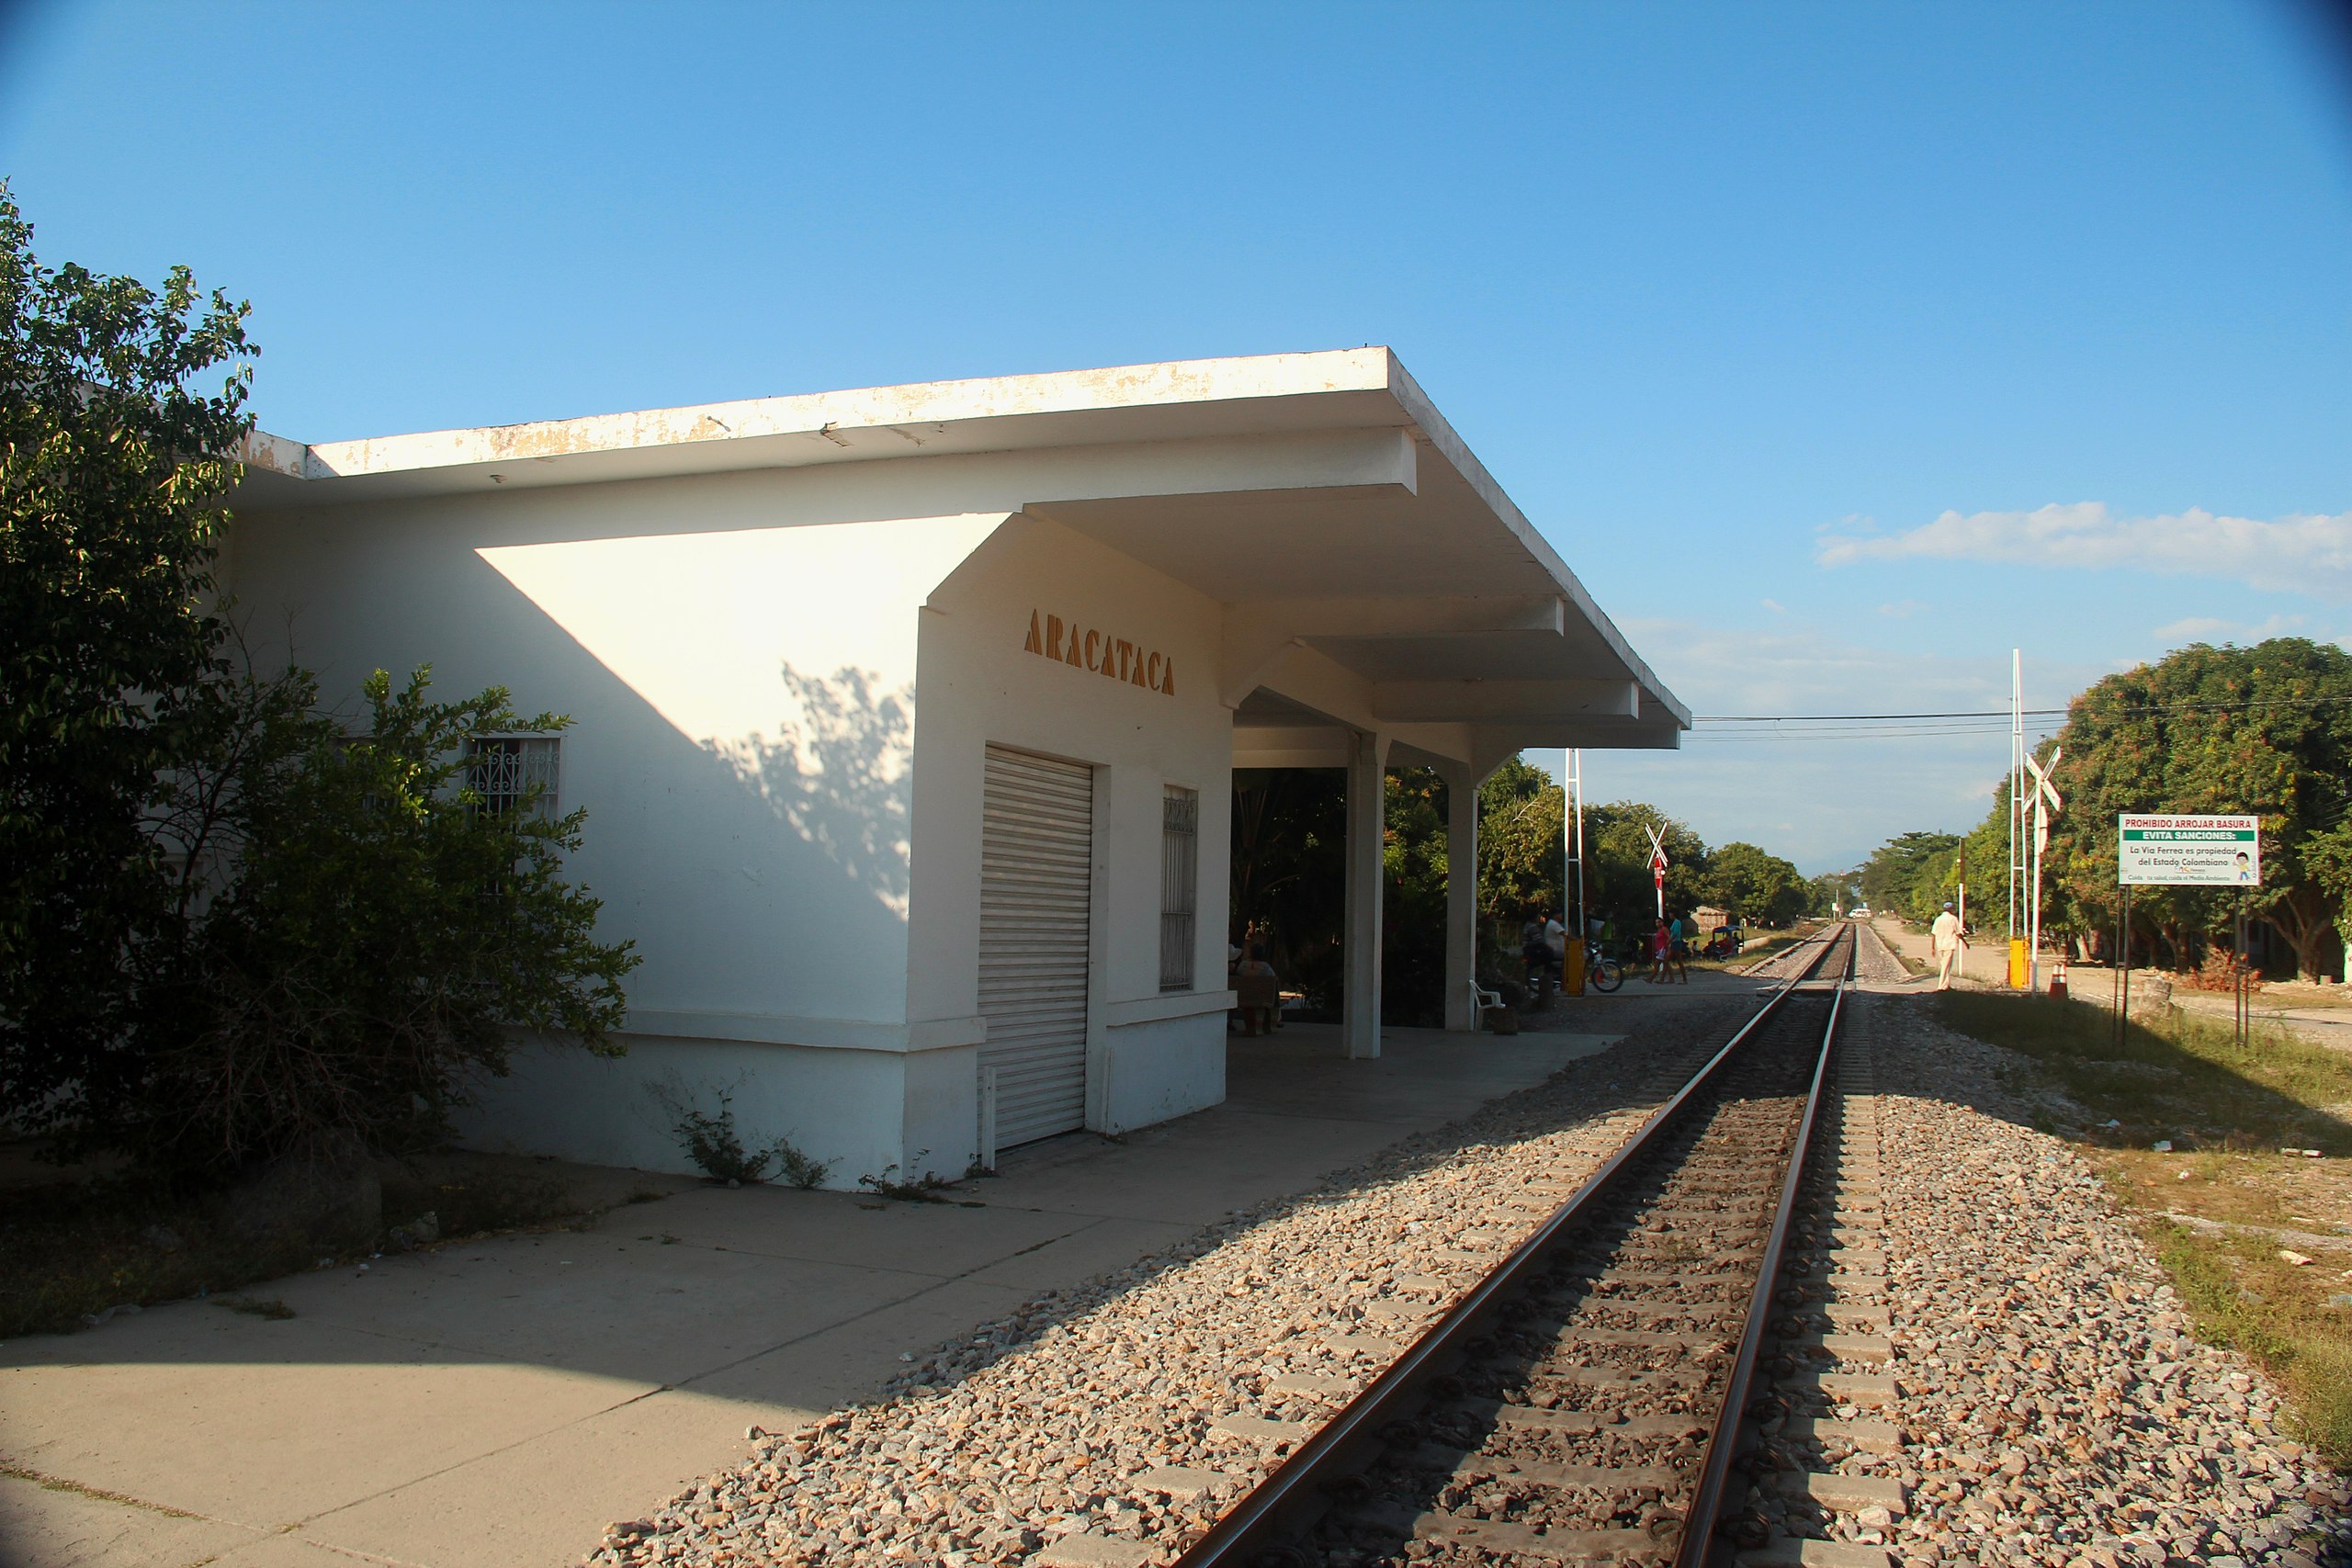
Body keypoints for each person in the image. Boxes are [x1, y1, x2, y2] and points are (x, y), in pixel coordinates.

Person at [1235, 943, 1281, 1036]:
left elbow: (1238, 973)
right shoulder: (1265, 967)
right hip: (1263, 997)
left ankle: (1250, 1027)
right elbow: (1273, 978)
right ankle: (1269, 1026)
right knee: (1272, 995)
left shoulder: (1243, 965)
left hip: (1244, 996)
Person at [1931, 900, 1966, 990]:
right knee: (1946, 966)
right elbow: (1958, 933)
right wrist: (1965, 942)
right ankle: (1941, 986)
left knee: (1944, 965)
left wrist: (1932, 947)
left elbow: (1933, 934)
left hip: (1940, 945)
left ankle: (1946, 985)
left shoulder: (1938, 919)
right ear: (1951, 909)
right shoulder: (1953, 919)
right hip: (1949, 945)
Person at [1649, 918, 1671, 983]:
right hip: (1659, 949)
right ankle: (1670, 978)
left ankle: (1651, 978)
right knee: (1666, 964)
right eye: (1656, 922)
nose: (1658, 924)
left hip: (1663, 949)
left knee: (1657, 963)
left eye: (1659, 922)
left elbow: (1669, 937)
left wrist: (1668, 947)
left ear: (1662, 922)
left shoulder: (1664, 929)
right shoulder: (1659, 930)